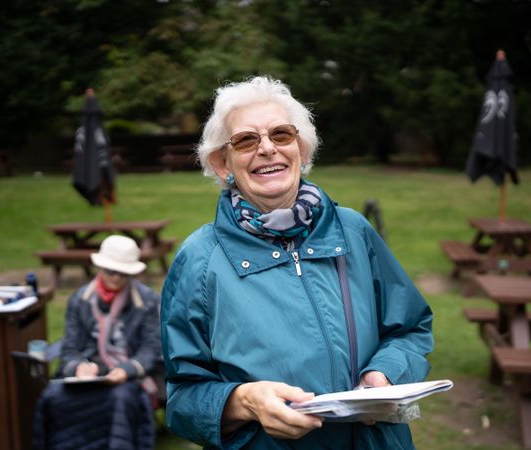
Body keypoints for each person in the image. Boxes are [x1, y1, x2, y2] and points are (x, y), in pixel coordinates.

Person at [161, 76, 434, 449]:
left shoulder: (353, 230)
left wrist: (385, 374)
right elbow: (182, 400)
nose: (267, 149)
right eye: (246, 140)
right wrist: (244, 402)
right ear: (222, 164)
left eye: (282, 135)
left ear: (302, 152)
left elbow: (410, 328)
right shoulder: (199, 258)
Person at [34, 235, 161, 450]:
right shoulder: (79, 298)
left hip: (128, 376)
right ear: (100, 267)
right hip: (87, 375)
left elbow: (152, 348)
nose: (116, 277)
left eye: (124, 273)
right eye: (111, 270)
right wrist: (79, 366)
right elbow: (70, 348)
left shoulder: (148, 300)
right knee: (53, 396)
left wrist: (127, 370)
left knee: (121, 398)